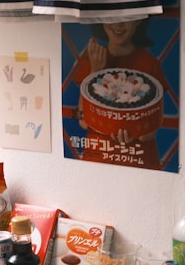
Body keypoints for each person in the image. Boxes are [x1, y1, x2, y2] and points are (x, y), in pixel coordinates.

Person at [72, 18, 168, 169]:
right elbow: (84, 120)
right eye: (111, 16)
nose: (118, 24)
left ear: (138, 21)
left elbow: (154, 125)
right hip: (98, 161)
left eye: (127, 17)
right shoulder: (91, 59)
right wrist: (95, 71)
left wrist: (139, 132)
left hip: (140, 163)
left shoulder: (150, 64)